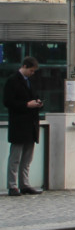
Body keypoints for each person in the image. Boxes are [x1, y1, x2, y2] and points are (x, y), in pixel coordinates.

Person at [5, 56, 44, 196]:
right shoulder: (12, 81)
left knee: (27, 158)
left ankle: (24, 184)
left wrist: (38, 103)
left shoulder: (29, 82)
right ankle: (12, 185)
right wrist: (26, 105)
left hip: (30, 125)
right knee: (15, 157)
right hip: (19, 124)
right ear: (25, 66)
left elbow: (34, 96)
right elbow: (7, 102)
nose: (32, 73)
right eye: (31, 71)